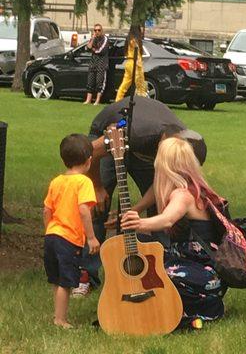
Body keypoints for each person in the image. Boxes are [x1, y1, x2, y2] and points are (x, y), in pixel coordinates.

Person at [71, 96, 207, 296]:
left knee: (163, 205)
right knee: (96, 207)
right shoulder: (133, 131)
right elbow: (90, 153)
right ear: (163, 148)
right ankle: (86, 276)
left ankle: (162, 273)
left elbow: (161, 188)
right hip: (110, 138)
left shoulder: (183, 143)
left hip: (145, 149)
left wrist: (135, 210)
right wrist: (97, 187)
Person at [121, 137, 228, 328]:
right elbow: (156, 196)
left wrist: (138, 222)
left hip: (206, 274)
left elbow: (167, 219)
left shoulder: (183, 195)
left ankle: (202, 309)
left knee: (159, 276)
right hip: (197, 265)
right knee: (144, 246)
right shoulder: (196, 189)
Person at [43, 134, 100, 328]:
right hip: (69, 239)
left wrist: (49, 230)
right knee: (66, 282)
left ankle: (57, 314)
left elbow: (46, 210)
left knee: (57, 279)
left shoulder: (56, 181)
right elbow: (84, 210)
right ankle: (60, 320)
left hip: (52, 235)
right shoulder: (84, 182)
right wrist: (91, 237)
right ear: (89, 161)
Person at [115, 25, 148, 101]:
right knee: (140, 86)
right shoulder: (135, 40)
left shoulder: (128, 39)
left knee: (124, 85)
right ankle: (142, 102)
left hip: (128, 63)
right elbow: (138, 54)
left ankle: (118, 100)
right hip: (135, 64)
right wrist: (139, 66)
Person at [83, 24, 109, 105]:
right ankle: (88, 100)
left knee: (99, 83)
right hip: (93, 63)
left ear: (102, 31)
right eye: (95, 30)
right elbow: (87, 48)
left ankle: (97, 101)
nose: (97, 32)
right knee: (90, 82)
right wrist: (92, 38)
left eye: (98, 30)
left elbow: (100, 51)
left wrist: (93, 49)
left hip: (102, 64)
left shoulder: (105, 39)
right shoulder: (93, 38)